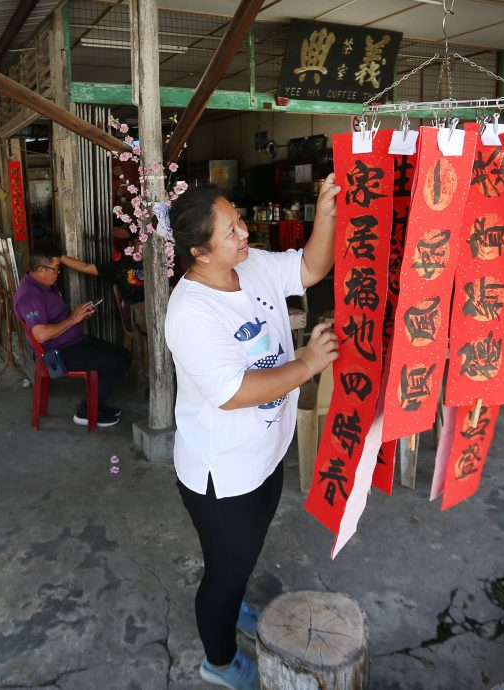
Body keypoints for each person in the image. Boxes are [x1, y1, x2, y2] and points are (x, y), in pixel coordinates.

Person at [165, 176, 340, 689]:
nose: (244, 232)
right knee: (222, 573)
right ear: (199, 252)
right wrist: (307, 364)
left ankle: (236, 596)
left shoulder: (253, 265)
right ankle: (217, 663)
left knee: (238, 559)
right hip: (224, 473)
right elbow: (233, 391)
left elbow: (311, 267)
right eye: (230, 231)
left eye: (239, 219)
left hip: (265, 453)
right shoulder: (191, 311)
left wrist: (325, 211)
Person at [13, 249, 132, 427]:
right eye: (54, 269)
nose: (58, 273)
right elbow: (42, 335)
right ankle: (85, 411)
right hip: (58, 353)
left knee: (124, 355)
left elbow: (57, 319)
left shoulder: (44, 285)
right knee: (118, 363)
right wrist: (73, 319)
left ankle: (96, 403)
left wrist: (79, 315)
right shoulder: (30, 295)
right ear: (40, 270)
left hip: (73, 342)